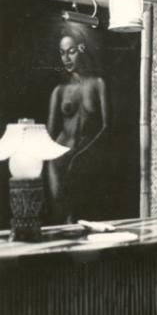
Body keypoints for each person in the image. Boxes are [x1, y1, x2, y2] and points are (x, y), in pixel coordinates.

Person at [47, 27, 108, 224]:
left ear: (82, 49)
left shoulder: (98, 84)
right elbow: (49, 136)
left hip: (86, 158)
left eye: (71, 51)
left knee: (82, 215)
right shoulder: (59, 91)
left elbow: (107, 127)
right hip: (59, 161)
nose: (66, 58)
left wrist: (81, 156)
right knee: (63, 216)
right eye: (62, 53)